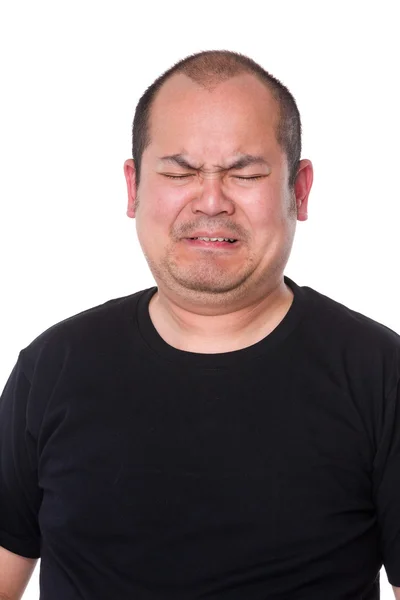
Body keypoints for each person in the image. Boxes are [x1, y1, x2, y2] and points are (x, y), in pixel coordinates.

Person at [0, 50, 399, 600]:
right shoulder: (53, 366)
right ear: (133, 186)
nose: (211, 201)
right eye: (179, 172)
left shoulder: (381, 375)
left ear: (299, 189)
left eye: (247, 173)